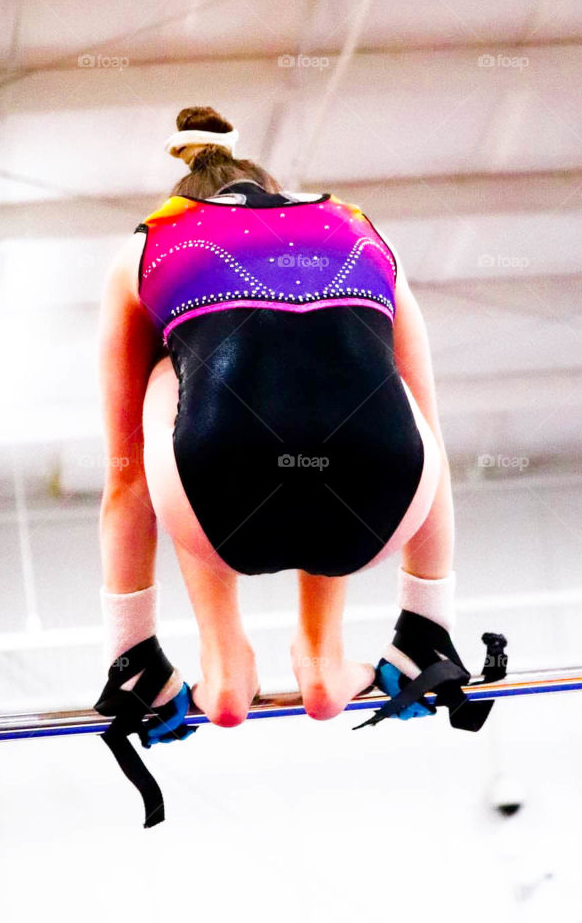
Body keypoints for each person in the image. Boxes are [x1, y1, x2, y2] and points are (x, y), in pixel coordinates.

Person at [93, 106, 506, 826]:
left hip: (219, 504)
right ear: (275, 191)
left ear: (192, 190)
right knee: (351, 385)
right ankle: (323, 655)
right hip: (385, 499)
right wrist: (425, 631)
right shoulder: (362, 227)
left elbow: (126, 484)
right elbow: (430, 436)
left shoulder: (148, 244)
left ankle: (224, 662)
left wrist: (134, 657)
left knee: (183, 380)